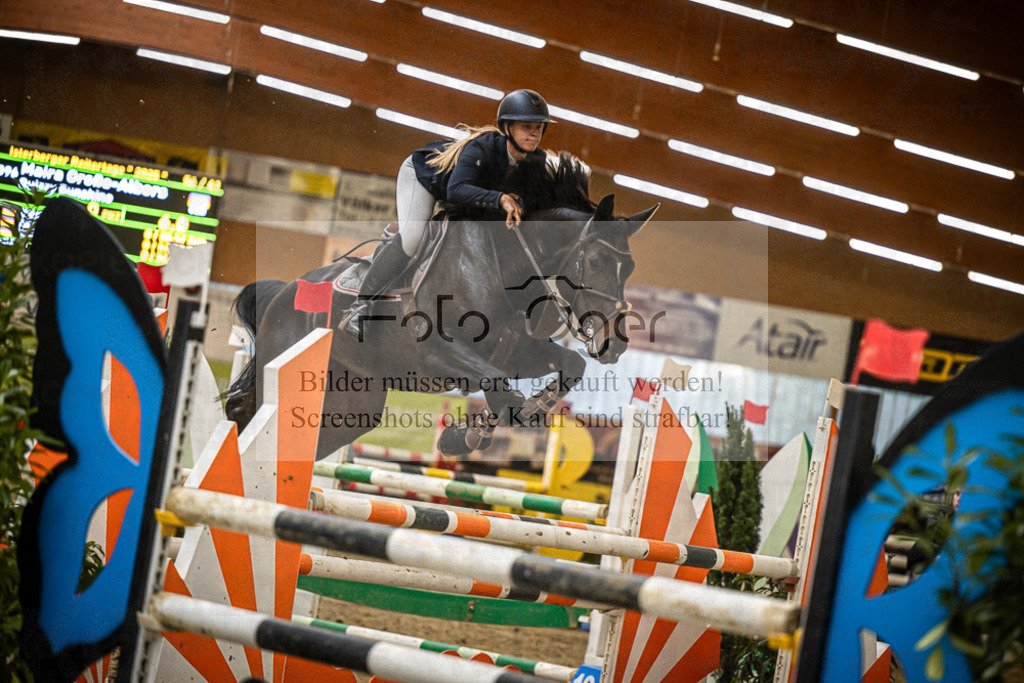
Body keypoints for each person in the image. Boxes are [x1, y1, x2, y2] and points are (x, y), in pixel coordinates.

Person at [341, 88, 555, 337]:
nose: (534, 132)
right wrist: (501, 198)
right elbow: (456, 190)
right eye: (526, 126)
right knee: (412, 238)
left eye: (539, 127)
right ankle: (359, 306)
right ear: (507, 128)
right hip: (424, 178)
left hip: (466, 201)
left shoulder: (537, 161)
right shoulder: (482, 148)